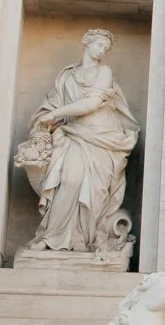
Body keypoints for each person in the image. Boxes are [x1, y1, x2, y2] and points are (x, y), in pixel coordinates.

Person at [16, 29, 140, 254]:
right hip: (73, 133)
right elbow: (53, 106)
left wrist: (55, 114)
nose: (102, 50)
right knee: (70, 180)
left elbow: (91, 104)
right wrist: (49, 118)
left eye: (106, 48)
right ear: (86, 44)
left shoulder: (104, 71)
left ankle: (83, 238)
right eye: (99, 45)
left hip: (102, 136)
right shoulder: (66, 76)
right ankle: (52, 236)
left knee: (95, 189)